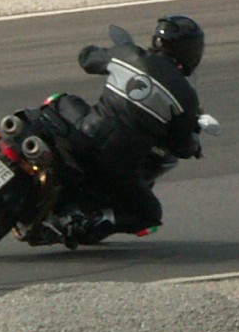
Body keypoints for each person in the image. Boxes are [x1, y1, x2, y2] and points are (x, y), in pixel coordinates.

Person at [48, 15, 206, 248]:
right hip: (116, 166)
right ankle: (92, 221)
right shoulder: (186, 97)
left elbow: (87, 58)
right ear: (190, 50)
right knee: (150, 215)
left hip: (85, 136)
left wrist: (113, 52)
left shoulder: (129, 55)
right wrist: (194, 145)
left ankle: (26, 134)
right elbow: (181, 146)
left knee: (61, 101)